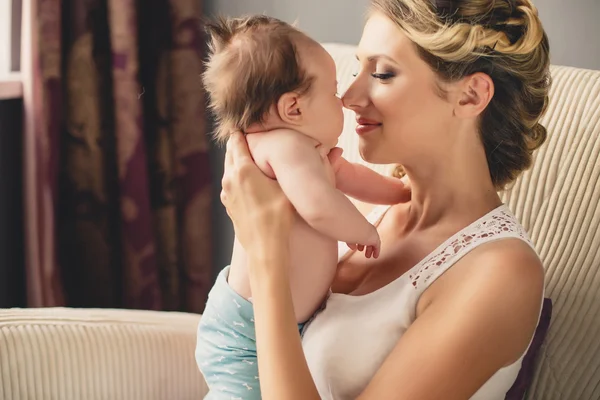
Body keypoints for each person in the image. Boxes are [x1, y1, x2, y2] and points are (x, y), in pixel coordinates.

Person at [217, 0, 551, 399]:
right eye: (357, 69)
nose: (350, 95)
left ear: (471, 96)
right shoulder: (363, 209)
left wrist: (266, 250)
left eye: (383, 73)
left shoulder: (500, 272)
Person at [195, 15, 409, 399]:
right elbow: (318, 206)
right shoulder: (284, 148)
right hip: (247, 329)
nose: (343, 100)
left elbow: (352, 177)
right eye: (333, 91)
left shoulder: (309, 153)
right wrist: (363, 231)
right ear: (293, 108)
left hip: (273, 320)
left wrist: (401, 192)